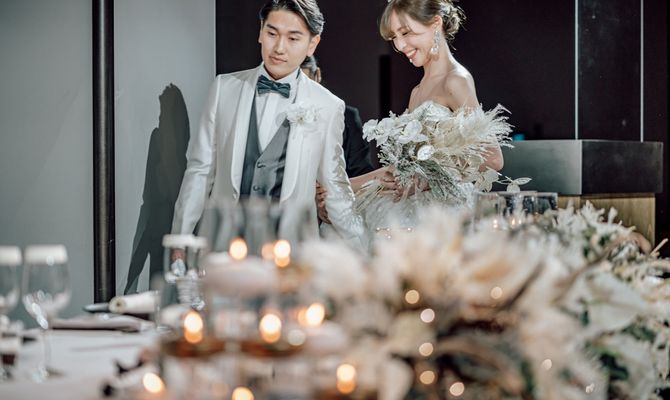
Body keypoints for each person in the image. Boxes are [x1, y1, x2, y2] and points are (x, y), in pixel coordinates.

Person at [171, 0, 366, 250]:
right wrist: (180, 240)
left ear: (312, 44)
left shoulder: (328, 106)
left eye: (293, 38)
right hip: (225, 244)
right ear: (261, 32)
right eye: (272, 33)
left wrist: (362, 247)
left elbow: (335, 184)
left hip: (291, 251)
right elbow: (200, 170)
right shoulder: (224, 88)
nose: (279, 48)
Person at [379, 0, 503, 169]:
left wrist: (428, 172)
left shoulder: (455, 80)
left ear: (436, 23)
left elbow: (493, 159)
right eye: (394, 37)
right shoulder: (416, 91)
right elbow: (408, 165)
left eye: (405, 32)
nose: (399, 45)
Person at [300, 55, 382, 224]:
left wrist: (332, 201)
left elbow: (361, 172)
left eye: (308, 83)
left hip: (333, 218)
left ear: (317, 75)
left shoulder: (347, 117)